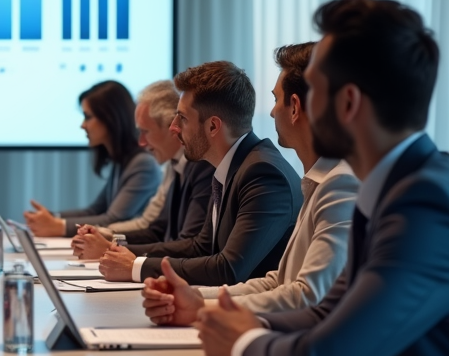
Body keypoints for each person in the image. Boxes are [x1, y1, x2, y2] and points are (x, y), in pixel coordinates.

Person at [195, 0, 449, 356]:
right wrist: (225, 321)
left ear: (347, 103)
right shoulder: (392, 187)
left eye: (310, 91)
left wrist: (243, 342)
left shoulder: (424, 205)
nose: (293, 109)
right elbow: (327, 313)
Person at [140, 41, 358, 321]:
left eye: (276, 99)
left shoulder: (334, 183)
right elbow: (278, 280)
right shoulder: (317, 180)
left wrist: (201, 307)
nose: (270, 112)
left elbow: (307, 295)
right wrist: (195, 297)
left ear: (294, 107)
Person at [93, 61, 301, 286]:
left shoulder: (263, 174)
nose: (174, 127)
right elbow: (200, 247)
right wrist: (122, 253)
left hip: (252, 316)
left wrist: (137, 267)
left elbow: (229, 268)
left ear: (213, 126)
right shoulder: (231, 165)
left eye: (182, 118)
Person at [70, 80, 212, 259]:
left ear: (173, 128)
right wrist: (110, 238)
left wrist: (110, 247)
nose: (142, 142)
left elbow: (190, 245)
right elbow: (157, 230)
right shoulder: (175, 164)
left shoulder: (201, 167)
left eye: (146, 132)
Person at [24, 80, 160, 237]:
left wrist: (59, 226)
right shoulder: (123, 161)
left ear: (110, 119)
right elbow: (95, 210)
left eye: (88, 117)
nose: (83, 125)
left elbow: (113, 218)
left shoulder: (142, 164)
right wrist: (52, 217)